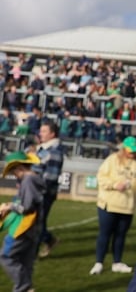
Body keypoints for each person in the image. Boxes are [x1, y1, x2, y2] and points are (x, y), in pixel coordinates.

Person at [89, 136, 136, 275]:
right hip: (109, 204)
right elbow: (101, 177)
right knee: (105, 234)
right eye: (129, 151)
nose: (132, 154)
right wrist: (115, 185)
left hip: (128, 206)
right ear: (123, 149)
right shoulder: (112, 160)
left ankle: (117, 262)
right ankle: (99, 262)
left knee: (121, 235)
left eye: (134, 151)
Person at [0, 151, 45, 292]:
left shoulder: (28, 180)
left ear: (19, 168)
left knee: (6, 256)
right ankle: (25, 288)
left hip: (23, 226)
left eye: (13, 171)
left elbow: (26, 207)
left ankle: (23, 287)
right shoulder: (33, 179)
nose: (14, 175)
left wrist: (9, 206)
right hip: (33, 227)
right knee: (26, 261)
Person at [32, 121, 64, 258]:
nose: (41, 133)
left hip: (43, 193)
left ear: (52, 134)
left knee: (37, 223)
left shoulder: (54, 152)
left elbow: (50, 178)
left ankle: (31, 254)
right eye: (41, 131)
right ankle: (49, 240)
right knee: (37, 222)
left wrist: (34, 188)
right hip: (37, 191)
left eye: (44, 131)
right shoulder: (44, 149)